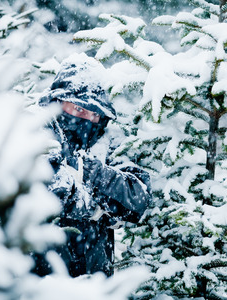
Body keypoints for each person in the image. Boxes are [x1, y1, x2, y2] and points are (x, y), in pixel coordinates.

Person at [35, 55, 151, 277]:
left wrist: (95, 173)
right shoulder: (37, 130)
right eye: (78, 109)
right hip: (41, 280)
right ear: (58, 101)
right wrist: (98, 208)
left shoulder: (107, 140)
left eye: (94, 113)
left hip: (96, 280)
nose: (87, 118)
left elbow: (139, 199)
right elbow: (51, 191)